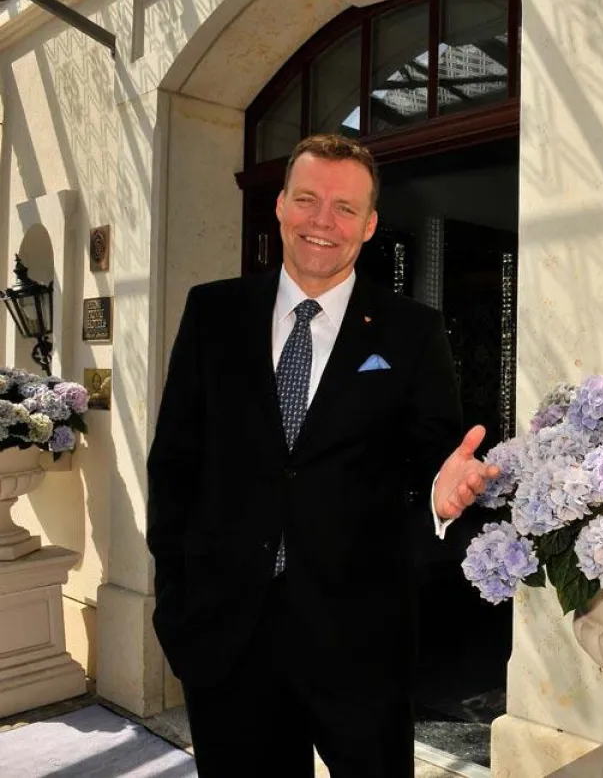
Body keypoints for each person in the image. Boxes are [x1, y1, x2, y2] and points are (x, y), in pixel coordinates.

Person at [146, 133, 498, 777]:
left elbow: (432, 459)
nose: (321, 222)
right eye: (307, 199)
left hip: (359, 639)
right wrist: (176, 596)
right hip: (226, 634)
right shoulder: (213, 313)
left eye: (344, 208)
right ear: (279, 205)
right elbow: (174, 461)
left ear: (368, 225)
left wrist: (442, 492)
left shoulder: (411, 332)